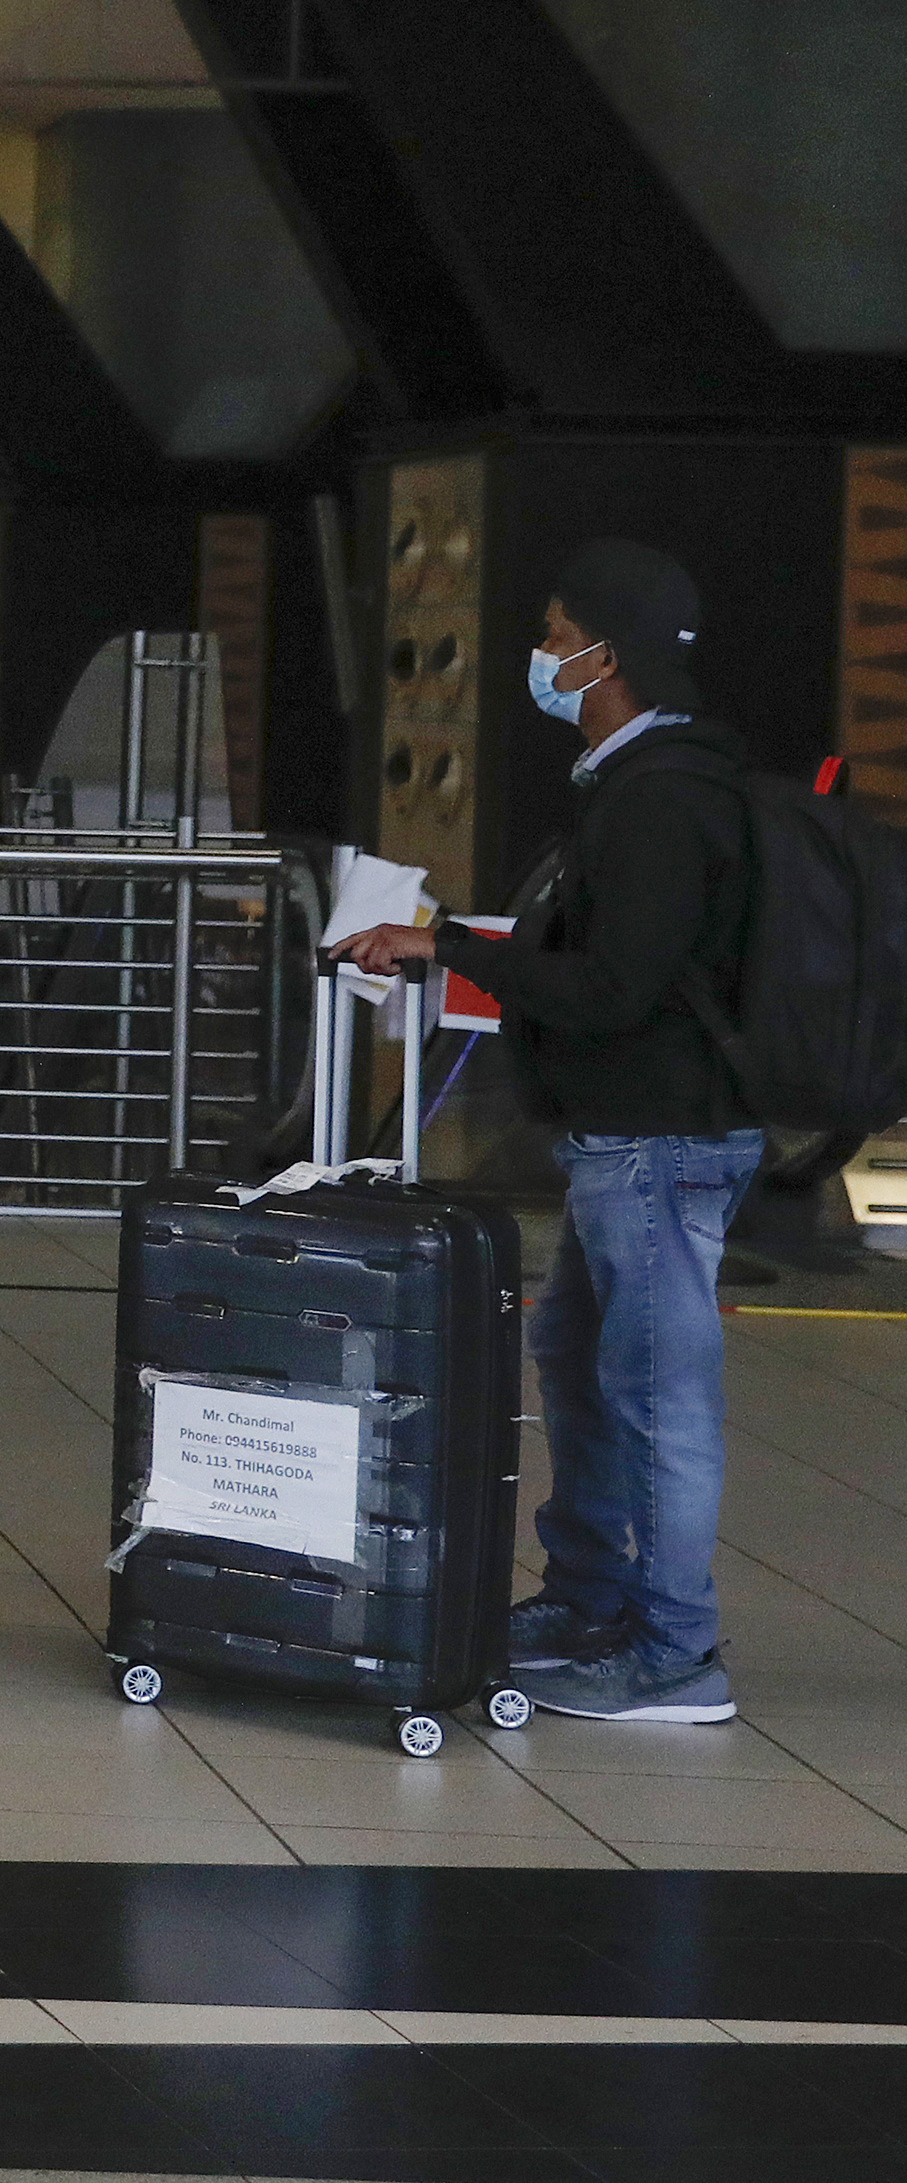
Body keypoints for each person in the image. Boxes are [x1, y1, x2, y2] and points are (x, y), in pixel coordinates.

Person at [333, 538, 756, 1727]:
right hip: (622, 1141)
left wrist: (453, 950)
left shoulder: (666, 794)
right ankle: (587, 1595)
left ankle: (676, 1656)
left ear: (604, 656)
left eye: (558, 635)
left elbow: (616, 984)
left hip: (660, 1144)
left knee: (661, 1396)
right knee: (577, 1357)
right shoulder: (631, 782)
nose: (544, 655)